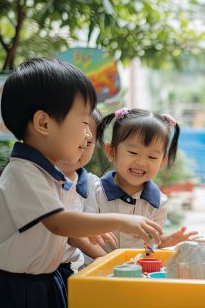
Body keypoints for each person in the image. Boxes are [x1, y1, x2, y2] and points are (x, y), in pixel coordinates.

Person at [0, 58, 163, 308]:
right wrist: (122, 220)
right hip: (11, 287)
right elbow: (59, 222)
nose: (88, 134)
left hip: (43, 280)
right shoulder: (24, 172)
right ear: (43, 123)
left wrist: (89, 228)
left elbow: (67, 225)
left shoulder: (54, 175)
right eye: (82, 122)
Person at [87, 108, 198, 252]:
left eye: (152, 157)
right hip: (96, 271)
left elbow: (153, 241)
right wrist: (106, 261)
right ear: (111, 152)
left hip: (135, 272)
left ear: (162, 161)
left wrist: (171, 239)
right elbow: (85, 235)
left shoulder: (158, 202)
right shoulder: (95, 191)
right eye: (133, 152)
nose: (141, 162)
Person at [55, 109, 113, 287]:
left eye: (87, 143)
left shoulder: (90, 184)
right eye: (70, 139)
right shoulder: (37, 176)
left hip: (61, 270)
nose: (77, 149)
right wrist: (112, 261)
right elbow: (73, 233)